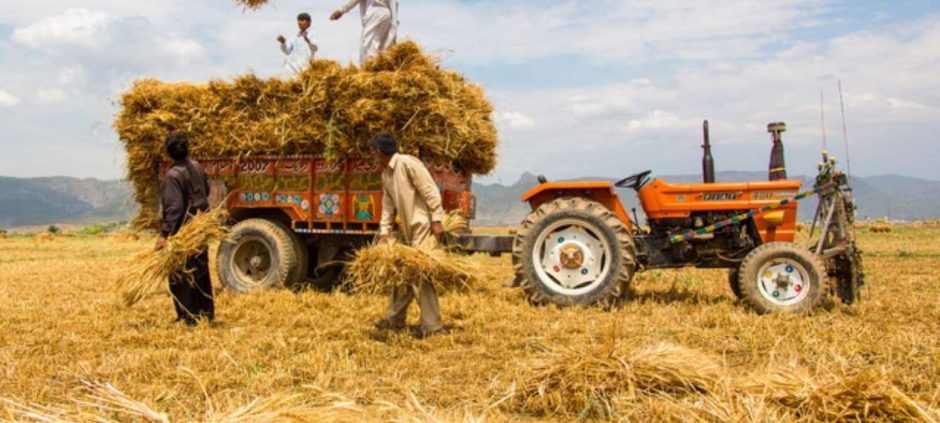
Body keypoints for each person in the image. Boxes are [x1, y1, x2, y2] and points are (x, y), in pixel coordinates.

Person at [371, 132, 447, 338]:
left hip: (422, 225)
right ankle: (395, 319)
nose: (373, 157)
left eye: (373, 153)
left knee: (420, 274)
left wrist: (437, 219)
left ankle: (432, 326)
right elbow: (387, 206)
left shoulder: (408, 163)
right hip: (406, 229)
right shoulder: (386, 173)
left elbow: (430, 190)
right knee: (401, 272)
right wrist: (384, 232)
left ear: (379, 151)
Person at [156, 132, 214, 326]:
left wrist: (164, 235)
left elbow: (174, 208)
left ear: (168, 153)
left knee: (179, 272)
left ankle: (188, 316)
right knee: (200, 269)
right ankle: (205, 313)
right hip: (200, 225)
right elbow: (206, 190)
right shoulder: (197, 167)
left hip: (184, 231)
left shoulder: (172, 176)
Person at [330, 0, 398, 65]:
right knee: (382, 46)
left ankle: (370, 69)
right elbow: (394, 5)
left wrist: (342, 10)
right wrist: (394, 27)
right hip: (387, 15)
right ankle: (380, 68)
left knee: (367, 48)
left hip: (374, 13)